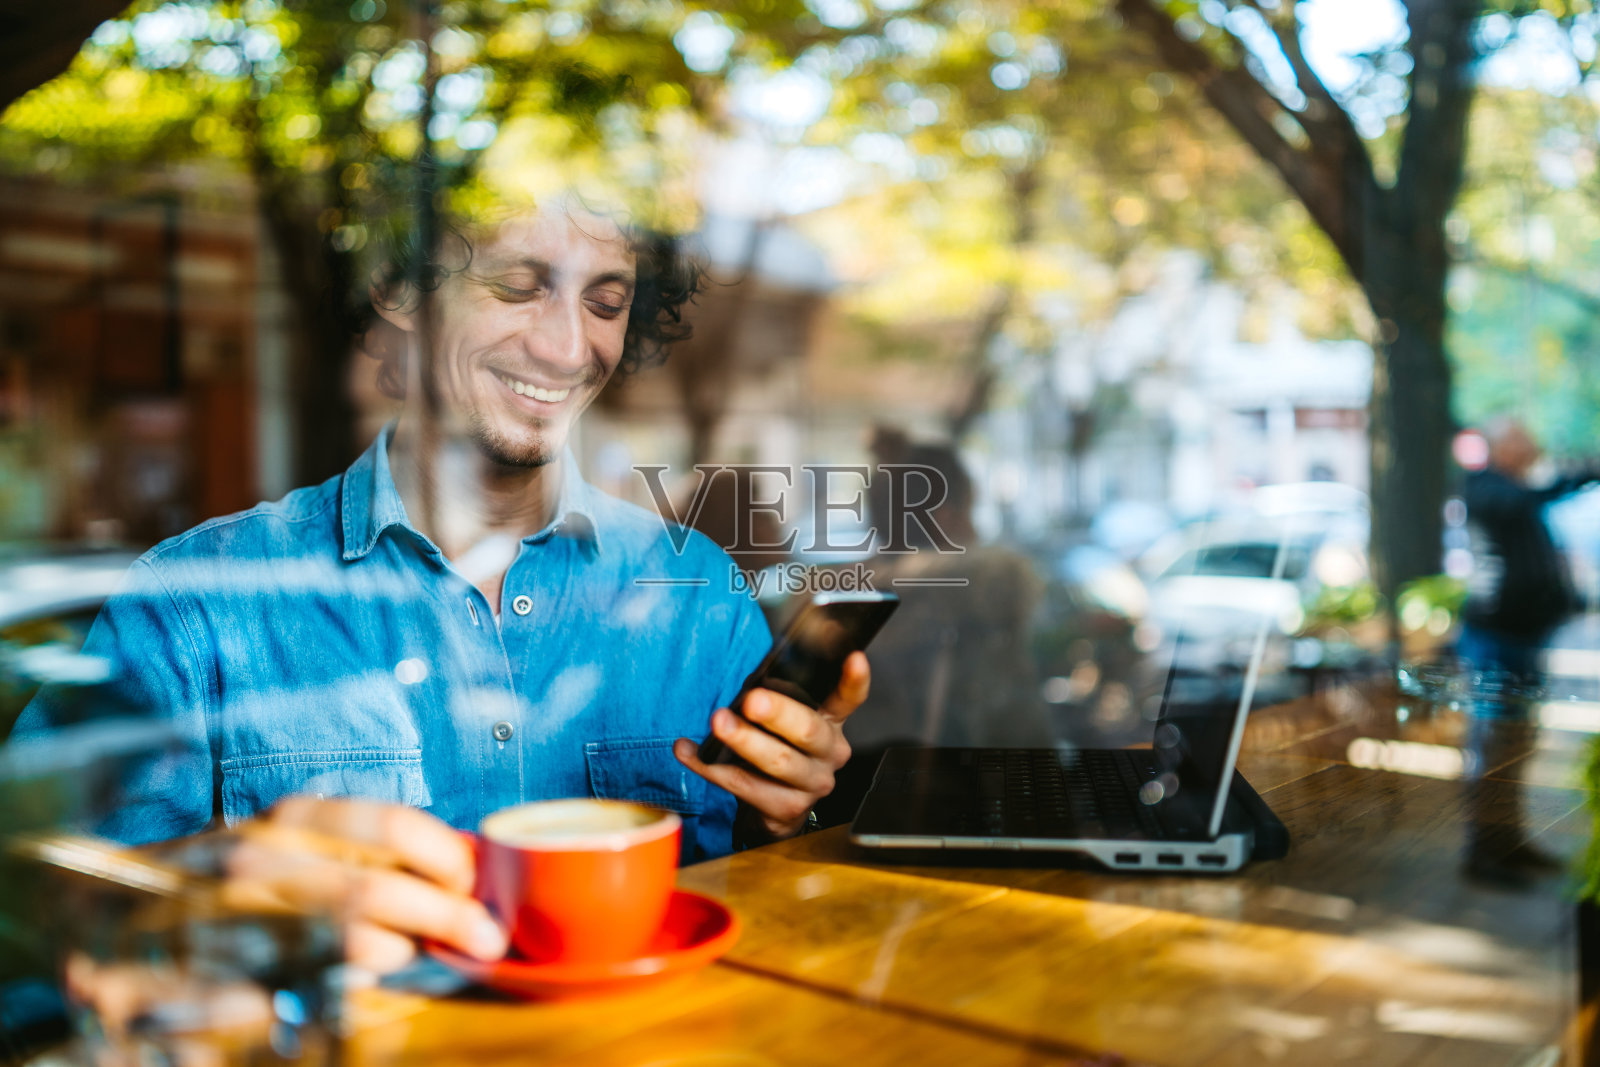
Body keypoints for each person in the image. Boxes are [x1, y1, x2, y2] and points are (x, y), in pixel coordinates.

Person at [14, 194, 867, 972]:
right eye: (518, 285)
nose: (569, 346)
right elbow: (28, 919)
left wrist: (780, 818)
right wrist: (200, 890)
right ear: (399, 289)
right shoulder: (195, 599)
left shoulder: (697, 589)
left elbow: (760, 924)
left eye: (604, 303)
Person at [813, 433, 1048, 827]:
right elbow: (1010, 578)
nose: (976, 528)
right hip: (976, 794)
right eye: (973, 511)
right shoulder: (982, 586)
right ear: (948, 517)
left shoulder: (839, 600)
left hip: (857, 798)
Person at [1459, 417, 1597, 710]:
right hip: (1497, 631)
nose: (1533, 444)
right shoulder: (1485, 486)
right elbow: (1529, 499)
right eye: (1522, 438)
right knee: (1494, 725)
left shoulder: (1514, 490)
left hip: (1526, 630)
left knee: (1520, 723)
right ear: (1501, 446)